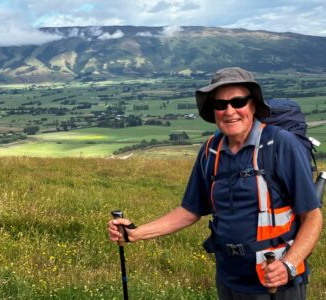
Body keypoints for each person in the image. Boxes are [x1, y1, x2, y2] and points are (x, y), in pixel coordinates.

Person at [108, 67, 323, 299]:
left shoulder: (281, 145)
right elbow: (189, 211)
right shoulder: (211, 151)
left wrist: (288, 266)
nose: (229, 111)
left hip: (277, 284)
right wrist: (136, 233)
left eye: (238, 102)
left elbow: (312, 217)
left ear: (253, 104)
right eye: (220, 105)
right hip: (228, 278)